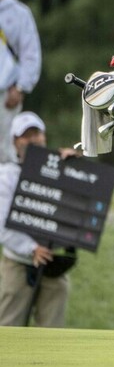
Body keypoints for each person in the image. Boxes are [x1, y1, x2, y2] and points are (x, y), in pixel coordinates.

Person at [0, 112, 79, 327]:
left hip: (53, 264)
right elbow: (2, 225)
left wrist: (74, 167)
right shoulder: (6, 176)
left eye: (37, 133)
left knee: (53, 332)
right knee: (9, 329)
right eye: (26, 135)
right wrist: (32, 248)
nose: (33, 139)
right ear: (15, 141)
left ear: (44, 136)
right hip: (18, 264)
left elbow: (79, 201)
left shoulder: (60, 167)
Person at [0, 0, 42, 165]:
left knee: (4, 148)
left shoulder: (19, 13)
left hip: (6, 92)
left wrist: (21, 87)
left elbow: (30, 53)